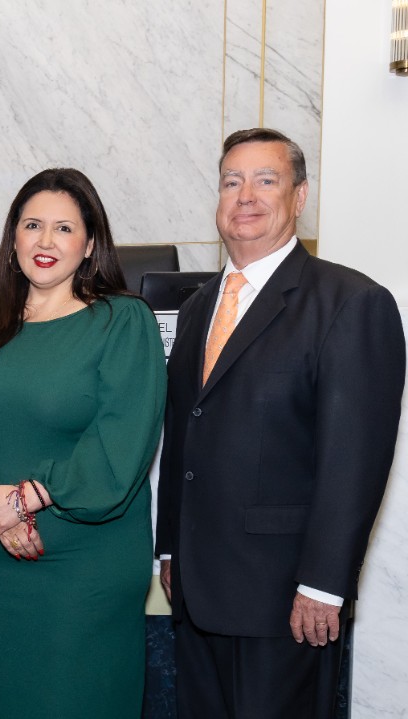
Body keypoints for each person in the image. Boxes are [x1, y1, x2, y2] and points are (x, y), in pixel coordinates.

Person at [156, 128, 405, 718]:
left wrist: (323, 584)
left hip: (285, 600)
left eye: (266, 180)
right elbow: (183, 433)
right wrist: (170, 550)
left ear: (299, 197)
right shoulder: (197, 308)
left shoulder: (349, 303)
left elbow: (354, 460)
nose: (246, 195)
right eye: (231, 181)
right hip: (196, 591)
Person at [0, 168, 166, 717]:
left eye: (63, 228)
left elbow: (119, 446)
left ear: (90, 243)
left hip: (84, 568)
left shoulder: (124, 322)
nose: (46, 241)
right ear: (13, 240)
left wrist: (26, 498)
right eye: (32, 225)